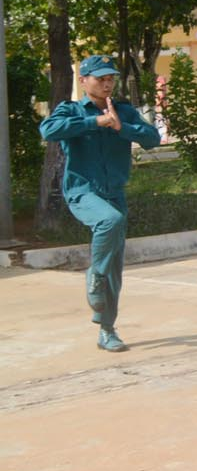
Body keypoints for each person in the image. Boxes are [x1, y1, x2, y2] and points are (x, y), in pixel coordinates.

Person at [38, 56, 162, 352]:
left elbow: (153, 138)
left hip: (114, 193)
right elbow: (48, 130)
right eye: (100, 79)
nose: (107, 84)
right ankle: (94, 273)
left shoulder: (124, 111)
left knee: (114, 270)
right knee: (110, 220)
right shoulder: (71, 110)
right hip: (82, 191)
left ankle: (106, 329)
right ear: (83, 81)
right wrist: (95, 121)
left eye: (110, 79)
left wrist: (121, 127)